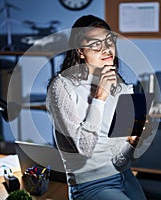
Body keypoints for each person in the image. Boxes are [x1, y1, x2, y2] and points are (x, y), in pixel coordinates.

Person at [46, 15, 147, 200]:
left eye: (109, 41)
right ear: (80, 51)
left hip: (123, 175)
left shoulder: (120, 85)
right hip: (89, 185)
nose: (106, 49)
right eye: (95, 44)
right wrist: (100, 97)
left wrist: (133, 140)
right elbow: (84, 148)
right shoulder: (62, 87)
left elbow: (120, 159)